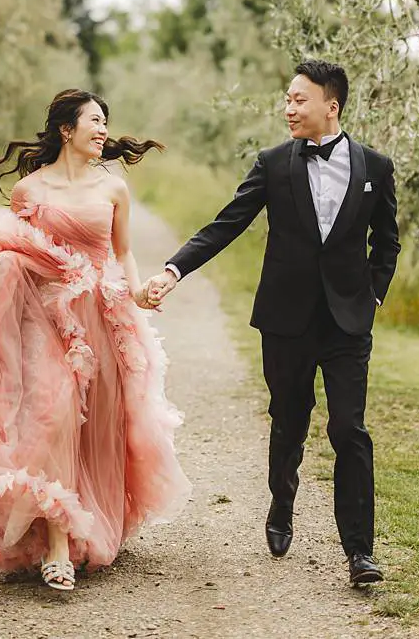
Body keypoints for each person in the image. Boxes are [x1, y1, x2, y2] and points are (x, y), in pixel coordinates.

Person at [146, 58, 399, 587]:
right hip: (287, 320)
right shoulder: (273, 163)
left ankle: (360, 553)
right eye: (286, 98)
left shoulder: (376, 168)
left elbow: (387, 241)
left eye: (299, 99)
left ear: (331, 106)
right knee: (289, 419)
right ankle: (282, 502)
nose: (288, 107)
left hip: (348, 323)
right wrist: (174, 269)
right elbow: (227, 223)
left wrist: (373, 294)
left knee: (349, 428)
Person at [0, 89, 190, 591]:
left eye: (106, 121)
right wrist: (8, 272)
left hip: (100, 316)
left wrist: (137, 292)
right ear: (66, 130)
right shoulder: (30, 191)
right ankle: (55, 546)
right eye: (93, 120)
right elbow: (14, 252)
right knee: (54, 413)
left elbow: (123, 251)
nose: (103, 129)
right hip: (43, 320)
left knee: (95, 428)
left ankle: (85, 519)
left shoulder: (114, 190)